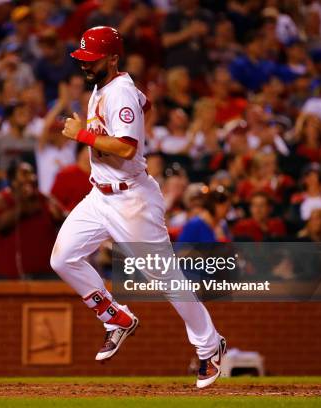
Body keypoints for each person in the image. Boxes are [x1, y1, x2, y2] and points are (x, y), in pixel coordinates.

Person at [51, 26, 225, 389]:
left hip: (131, 199)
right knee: (63, 257)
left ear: (112, 58)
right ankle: (115, 317)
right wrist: (140, 101)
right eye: (82, 58)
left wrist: (81, 134)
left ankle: (210, 346)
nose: (84, 64)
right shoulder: (109, 87)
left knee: (166, 279)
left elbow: (128, 147)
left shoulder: (120, 92)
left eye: (91, 58)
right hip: (100, 195)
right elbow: (142, 104)